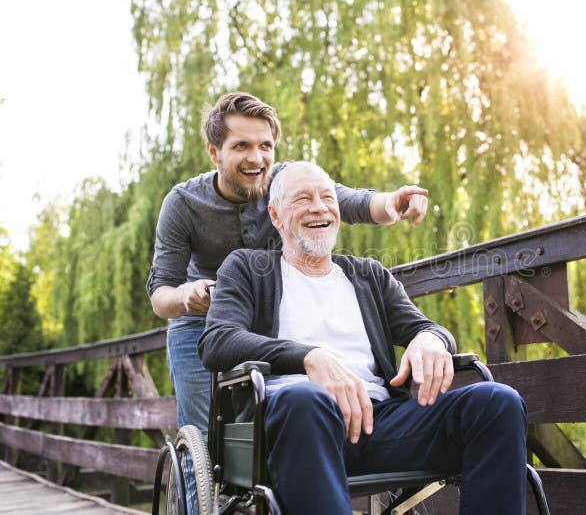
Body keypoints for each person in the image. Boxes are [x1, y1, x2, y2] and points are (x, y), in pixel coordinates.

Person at [199, 162, 528, 514]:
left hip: (380, 420)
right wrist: (309, 357)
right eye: (303, 199)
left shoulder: (368, 275)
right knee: (305, 398)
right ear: (276, 217)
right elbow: (218, 341)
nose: (319, 207)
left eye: (327, 197)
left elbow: (426, 327)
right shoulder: (247, 268)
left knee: (497, 403)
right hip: (294, 423)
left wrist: (431, 340)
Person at [147, 91, 430, 438]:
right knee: (204, 439)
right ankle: (202, 490)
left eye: (265, 146)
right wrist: (186, 295)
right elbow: (160, 296)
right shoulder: (182, 203)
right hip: (200, 325)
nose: (257, 158)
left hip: (266, 319)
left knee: (269, 427)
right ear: (213, 152)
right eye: (241, 146)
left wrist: (394, 203)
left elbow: (349, 201)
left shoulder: (286, 183)